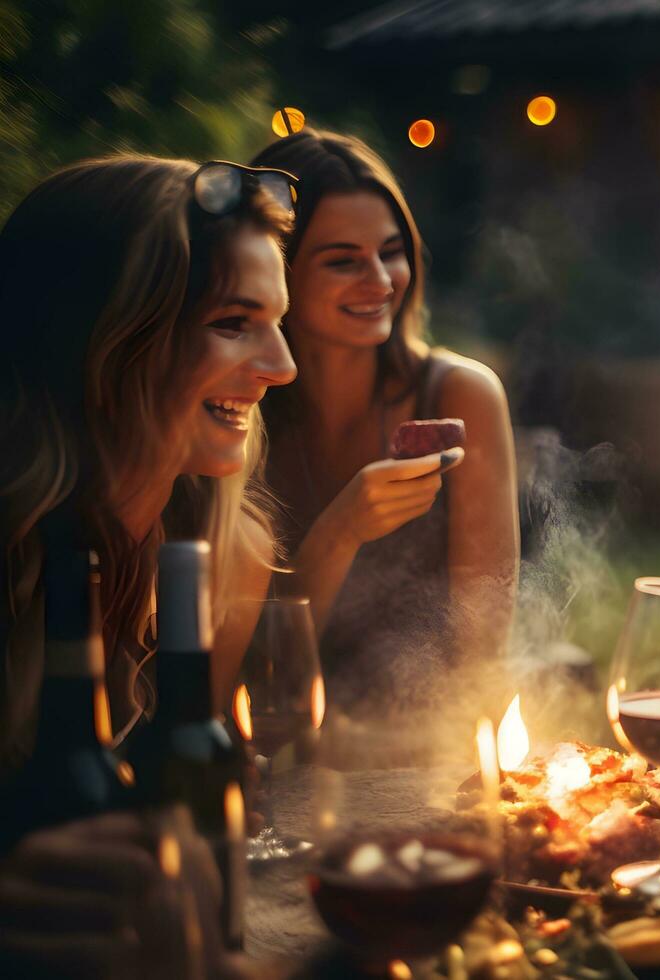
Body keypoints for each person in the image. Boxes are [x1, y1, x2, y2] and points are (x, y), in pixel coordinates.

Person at [0, 155, 299, 975]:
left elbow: (195, 816)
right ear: (107, 338)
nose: (282, 366)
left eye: (278, 322)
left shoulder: (227, 558)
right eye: (233, 322)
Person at [249, 131, 517, 721]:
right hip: (275, 747)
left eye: (391, 251)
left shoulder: (458, 396)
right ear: (274, 269)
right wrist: (341, 530)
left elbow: (482, 653)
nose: (381, 280)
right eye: (342, 260)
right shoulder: (238, 408)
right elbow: (253, 666)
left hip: (422, 753)